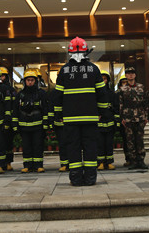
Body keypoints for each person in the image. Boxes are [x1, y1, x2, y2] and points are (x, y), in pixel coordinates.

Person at [54, 37, 107, 186]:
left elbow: (58, 95)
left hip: (70, 119)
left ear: (70, 52)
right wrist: (102, 112)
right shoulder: (94, 69)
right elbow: (102, 94)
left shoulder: (64, 70)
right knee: (90, 147)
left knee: (73, 147)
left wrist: (58, 114)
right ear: (86, 51)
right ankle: (90, 178)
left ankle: (76, 179)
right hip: (90, 118)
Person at [12, 69, 49, 173]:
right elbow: (15, 111)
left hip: (38, 126)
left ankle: (38, 165)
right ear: (24, 81)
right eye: (28, 80)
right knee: (26, 146)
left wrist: (46, 123)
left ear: (35, 81)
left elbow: (46, 109)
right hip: (24, 126)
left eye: (32, 80)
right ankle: (27, 165)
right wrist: (15, 124)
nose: (30, 82)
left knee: (38, 146)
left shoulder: (41, 94)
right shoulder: (20, 95)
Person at [118, 67, 148, 170]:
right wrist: (121, 117)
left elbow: (145, 103)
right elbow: (121, 104)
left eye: (132, 73)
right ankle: (133, 160)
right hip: (128, 118)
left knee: (140, 140)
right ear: (126, 75)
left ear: (135, 75)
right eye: (128, 73)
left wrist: (146, 116)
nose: (131, 75)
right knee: (130, 141)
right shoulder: (123, 89)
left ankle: (141, 160)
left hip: (139, 117)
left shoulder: (141, 87)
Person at [97, 70, 118, 170]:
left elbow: (116, 106)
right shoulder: (95, 93)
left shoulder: (111, 93)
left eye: (104, 79)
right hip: (99, 122)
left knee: (109, 143)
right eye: (101, 79)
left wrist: (115, 120)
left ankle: (109, 162)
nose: (103, 81)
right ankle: (100, 162)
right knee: (100, 143)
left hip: (109, 121)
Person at [0, 66, 16, 171]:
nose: (1, 78)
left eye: (3, 75)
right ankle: (0, 163)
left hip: (8, 121)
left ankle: (8, 162)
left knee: (8, 143)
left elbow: (14, 105)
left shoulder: (11, 90)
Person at [115, 74, 130, 167]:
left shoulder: (133, 91)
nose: (124, 84)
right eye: (123, 83)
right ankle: (128, 158)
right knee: (126, 140)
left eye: (126, 82)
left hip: (133, 119)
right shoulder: (117, 94)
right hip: (123, 121)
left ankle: (137, 159)